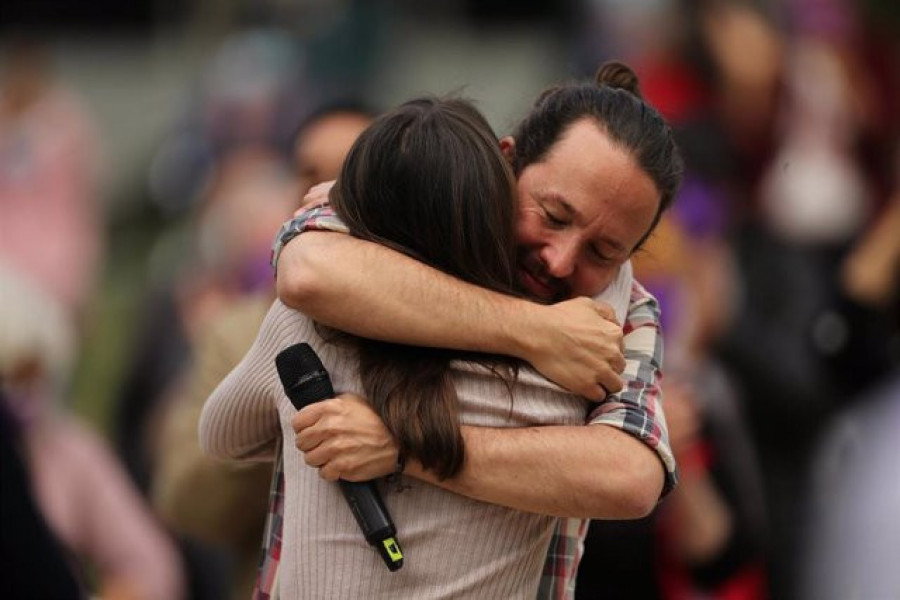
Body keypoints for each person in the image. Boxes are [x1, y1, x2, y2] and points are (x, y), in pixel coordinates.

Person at [268, 61, 683, 598]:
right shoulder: (411, 197)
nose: (559, 261)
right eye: (553, 215)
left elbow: (630, 479)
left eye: (603, 252)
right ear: (507, 161)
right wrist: (536, 331)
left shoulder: (625, 310)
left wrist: (405, 447)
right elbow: (308, 273)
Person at [152, 103, 373, 600]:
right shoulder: (240, 332)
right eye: (310, 175)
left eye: (350, 176)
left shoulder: (434, 327)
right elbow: (184, 502)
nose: (323, 197)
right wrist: (280, 409)